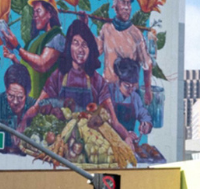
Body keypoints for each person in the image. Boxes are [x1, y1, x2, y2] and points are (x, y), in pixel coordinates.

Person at [21, 19, 136, 149]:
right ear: (69, 46)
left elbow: (114, 121)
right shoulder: (58, 77)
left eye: (84, 45)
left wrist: (126, 137)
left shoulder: (98, 81)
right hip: (60, 145)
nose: (80, 49)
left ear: (90, 49)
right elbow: (37, 106)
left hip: (88, 146)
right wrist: (23, 122)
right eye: (75, 43)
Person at [2, 0, 65, 99]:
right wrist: (14, 59)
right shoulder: (35, 40)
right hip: (29, 100)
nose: (34, 15)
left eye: (38, 11)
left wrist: (18, 47)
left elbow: (42, 64)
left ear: (49, 13)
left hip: (45, 102)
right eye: (34, 12)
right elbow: (27, 71)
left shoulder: (57, 37)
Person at [97, 0, 154, 105]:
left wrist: (148, 90)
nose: (127, 7)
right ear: (115, 6)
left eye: (129, 3)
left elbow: (147, 64)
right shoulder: (106, 29)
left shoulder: (136, 34)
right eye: (123, 2)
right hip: (108, 91)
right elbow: (95, 51)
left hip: (129, 94)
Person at [0, 63, 36, 151]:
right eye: (10, 96)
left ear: (27, 93)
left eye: (20, 97)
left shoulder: (34, 107)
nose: (15, 102)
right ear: (6, 89)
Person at [108, 57, 153, 144]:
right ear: (118, 80)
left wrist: (146, 123)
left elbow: (143, 112)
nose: (131, 90)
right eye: (127, 86)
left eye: (133, 86)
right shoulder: (109, 92)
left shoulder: (135, 97)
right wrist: (125, 134)